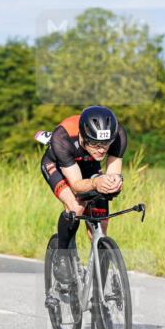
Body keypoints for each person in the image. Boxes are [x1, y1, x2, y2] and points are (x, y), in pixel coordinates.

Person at [39, 105, 127, 283]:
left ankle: (98, 291)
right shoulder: (62, 137)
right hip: (59, 166)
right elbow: (78, 186)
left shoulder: (118, 136)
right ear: (83, 136)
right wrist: (96, 182)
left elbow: (114, 173)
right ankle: (62, 255)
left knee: (101, 224)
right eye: (95, 144)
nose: (102, 150)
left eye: (106, 144)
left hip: (89, 166)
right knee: (76, 206)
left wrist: (114, 183)